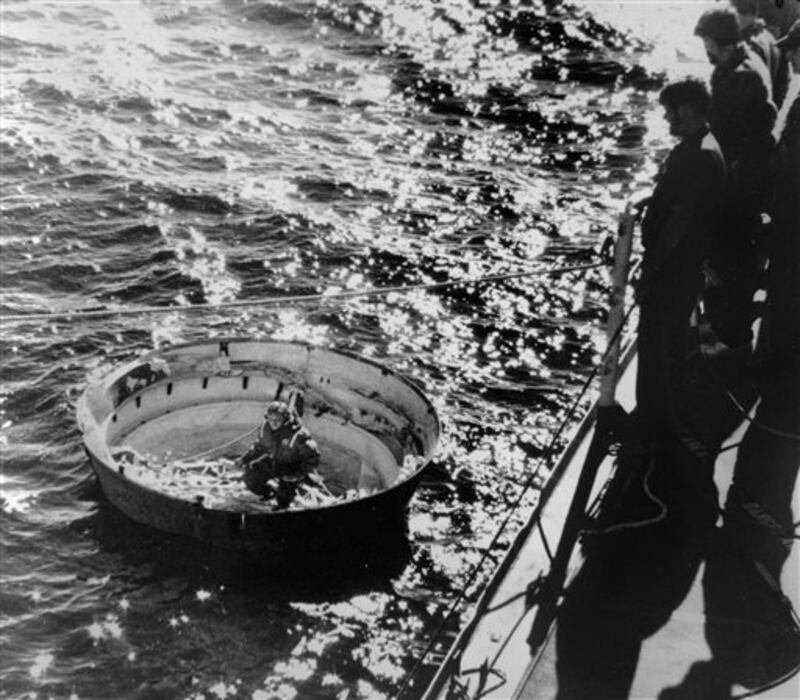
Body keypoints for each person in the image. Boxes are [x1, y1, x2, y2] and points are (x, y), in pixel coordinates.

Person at [633, 77, 726, 444]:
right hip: (678, 270)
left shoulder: (699, 155)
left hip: (673, 274)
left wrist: (651, 270)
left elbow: (680, 220)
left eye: (672, 111)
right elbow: (675, 201)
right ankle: (657, 423)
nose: (669, 119)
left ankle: (656, 432)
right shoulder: (698, 147)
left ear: (689, 108)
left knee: (660, 351)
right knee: (665, 348)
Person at [694, 8, 777, 351]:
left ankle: (729, 338)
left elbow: (722, 139)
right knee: (734, 261)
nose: (705, 50)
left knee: (727, 263)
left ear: (714, 41)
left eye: (706, 42)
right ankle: (729, 331)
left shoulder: (737, 80)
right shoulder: (741, 67)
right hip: (744, 186)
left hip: (735, 191)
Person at [238, 400, 321, 509]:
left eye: (278, 419)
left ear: (285, 418)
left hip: (291, 468)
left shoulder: (297, 435)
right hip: (273, 461)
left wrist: (297, 475)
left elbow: (312, 458)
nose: (274, 423)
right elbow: (260, 447)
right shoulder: (266, 428)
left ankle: (282, 505)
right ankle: (269, 493)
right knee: (250, 478)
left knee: (285, 495)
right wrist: (245, 459)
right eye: (271, 419)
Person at [730, 0, 790, 108]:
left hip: (752, 115)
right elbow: (783, 83)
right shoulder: (769, 37)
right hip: (769, 113)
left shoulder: (749, 45)